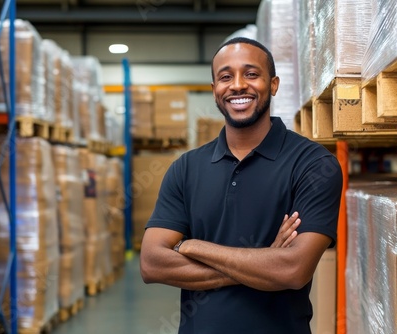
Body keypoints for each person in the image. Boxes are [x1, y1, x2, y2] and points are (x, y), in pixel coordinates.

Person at [140, 37, 343, 334]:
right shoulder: (186, 168)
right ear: (214, 91)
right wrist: (264, 261)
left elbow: (293, 270)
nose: (237, 85)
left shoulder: (313, 165)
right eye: (225, 76)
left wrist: (192, 246)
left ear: (273, 84)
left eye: (251, 74)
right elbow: (152, 263)